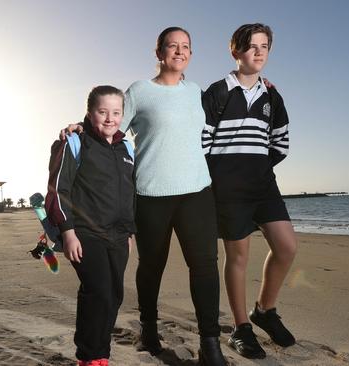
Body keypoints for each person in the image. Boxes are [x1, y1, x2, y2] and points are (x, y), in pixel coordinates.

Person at [62, 27, 227, 366]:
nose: (179, 52)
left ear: (191, 55)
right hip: (151, 193)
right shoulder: (139, 91)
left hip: (197, 191)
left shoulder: (196, 91)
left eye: (185, 47)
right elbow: (110, 123)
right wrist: (79, 127)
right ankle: (148, 329)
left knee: (206, 267)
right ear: (159, 52)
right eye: (172, 46)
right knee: (152, 266)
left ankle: (211, 344)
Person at [201, 23, 297, 359]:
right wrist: (224, 173)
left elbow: (280, 142)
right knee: (238, 256)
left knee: (286, 247)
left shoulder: (272, 95)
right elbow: (201, 142)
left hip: (263, 185)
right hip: (228, 188)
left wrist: (257, 166)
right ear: (236, 51)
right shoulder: (217, 92)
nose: (259, 52)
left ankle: (264, 311)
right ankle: (241, 328)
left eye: (265, 46)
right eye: (252, 46)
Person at [46, 85, 136, 366]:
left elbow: (129, 192)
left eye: (116, 112)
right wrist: (68, 233)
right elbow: (58, 189)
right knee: (98, 291)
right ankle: (89, 357)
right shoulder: (75, 142)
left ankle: (101, 354)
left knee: (114, 296)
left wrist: (130, 231)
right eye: (102, 111)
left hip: (119, 236)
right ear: (89, 112)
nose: (110, 118)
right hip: (85, 233)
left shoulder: (126, 148)